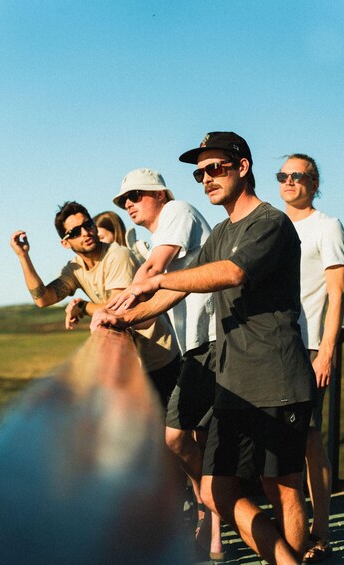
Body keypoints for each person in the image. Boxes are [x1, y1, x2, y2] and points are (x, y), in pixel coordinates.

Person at [91, 132, 317, 565]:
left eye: (216, 168)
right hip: (233, 381)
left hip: (277, 377)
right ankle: (285, 560)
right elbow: (177, 291)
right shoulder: (220, 232)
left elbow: (230, 273)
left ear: (243, 168)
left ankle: (296, 556)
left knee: (282, 486)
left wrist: (157, 278)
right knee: (217, 491)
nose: (206, 178)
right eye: (200, 173)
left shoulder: (270, 222)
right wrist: (122, 317)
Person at [112, 168, 221, 560]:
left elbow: (154, 271)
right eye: (124, 200)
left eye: (136, 195)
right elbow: (160, 293)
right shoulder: (159, 234)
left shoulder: (179, 211)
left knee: (179, 438)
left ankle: (214, 519)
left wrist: (112, 310)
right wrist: (121, 317)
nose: (128, 204)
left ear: (160, 193)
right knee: (197, 440)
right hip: (193, 345)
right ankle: (212, 523)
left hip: (211, 340)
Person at [10, 201, 180, 408]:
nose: (85, 233)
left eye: (88, 224)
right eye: (74, 232)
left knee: (168, 436)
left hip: (158, 359)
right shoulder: (74, 269)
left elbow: (118, 310)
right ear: (65, 243)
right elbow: (43, 299)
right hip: (130, 366)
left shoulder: (118, 255)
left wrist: (82, 306)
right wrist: (23, 257)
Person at [277, 154, 344, 563]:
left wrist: (327, 351)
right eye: (282, 176)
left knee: (309, 439)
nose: (288, 182)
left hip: (311, 347)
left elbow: (338, 292)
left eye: (297, 176)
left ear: (314, 183)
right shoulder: (274, 226)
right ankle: (292, 530)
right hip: (276, 347)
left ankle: (321, 532)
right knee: (282, 440)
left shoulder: (327, 226)